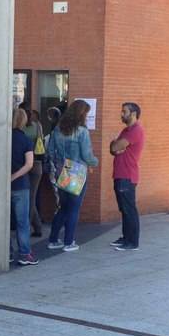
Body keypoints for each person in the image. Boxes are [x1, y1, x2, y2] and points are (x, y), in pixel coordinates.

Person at [47, 100, 99, 252]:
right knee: (74, 209)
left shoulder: (58, 129)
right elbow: (87, 155)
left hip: (61, 170)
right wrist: (95, 162)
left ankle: (53, 239)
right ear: (82, 114)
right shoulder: (82, 131)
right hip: (76, 170)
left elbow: (50, 151)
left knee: (63, 207)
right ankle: (69, 242)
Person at [109, 102, 145, 251]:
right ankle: (125, 238)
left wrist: (115, 144)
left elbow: (116, 147)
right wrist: (114, 144)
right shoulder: (126, 130)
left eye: (124, 112)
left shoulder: (136, 131)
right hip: (119, 174)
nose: (121, 114)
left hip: (127, 176)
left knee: (129, 209)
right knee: (124, 209)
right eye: (122, 111)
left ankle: (132, 242)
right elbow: (113, 149)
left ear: (133, 114)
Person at [11, 108, 38, 265]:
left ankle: (5, 252)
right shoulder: (26, 139)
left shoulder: (3, 138)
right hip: (21, 185)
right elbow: (29, 164)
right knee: (22, 222)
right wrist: (14, 176)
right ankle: (24, 253)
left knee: (5, 222)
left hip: (2, 186)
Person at [22, 109, 45, 237]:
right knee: (31, 196)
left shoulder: (19, 130)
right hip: (37, 163)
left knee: (29, 198)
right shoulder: (38, 126)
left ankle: (26, 226)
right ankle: (37, 227)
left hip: (24, 164)